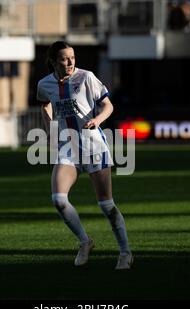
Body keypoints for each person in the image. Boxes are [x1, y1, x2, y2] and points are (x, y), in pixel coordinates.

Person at [36, 41, 133, 270]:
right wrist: (50, 130)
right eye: (64, 58)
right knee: (58, 200)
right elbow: (45, 105)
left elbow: (108, 105)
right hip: (67, 147)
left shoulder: (86, 77)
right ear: (53, 61)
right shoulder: (45, 84)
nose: (70, 62)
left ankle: (125, 252)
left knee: (106, 205)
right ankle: (85, 241)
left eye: (72, 57)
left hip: (93, 146)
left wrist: (97, 120)